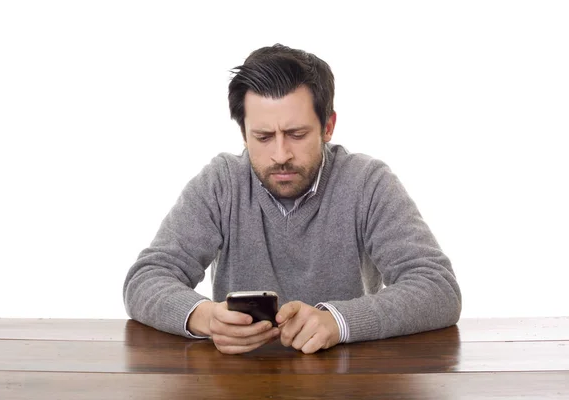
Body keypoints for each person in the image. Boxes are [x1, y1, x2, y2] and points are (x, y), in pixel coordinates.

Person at [123, 43, 462, 355]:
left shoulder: (367, 183)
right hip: (237, 380)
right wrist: (204, 316)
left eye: (296, 134)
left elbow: (438, 288)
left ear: (328, 126)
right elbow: (146, 279)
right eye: (263, 137)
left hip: (346, 381)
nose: (280, 155)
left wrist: (338, 321)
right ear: (243, 133)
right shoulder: (221, 183)